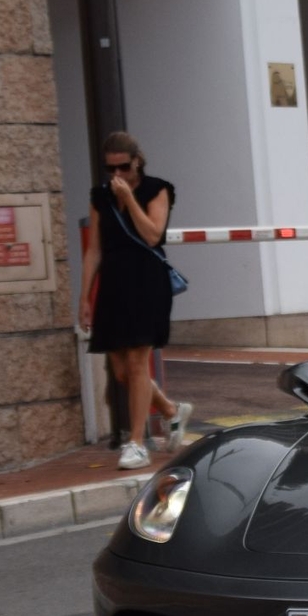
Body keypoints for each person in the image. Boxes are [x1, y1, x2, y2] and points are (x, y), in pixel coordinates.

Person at [79, 131, 188, 471]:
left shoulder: (158, 189)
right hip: (112, 283)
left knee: (139, 363)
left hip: (146, 281)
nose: (117, 175)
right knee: (123, 371)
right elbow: (94, 249)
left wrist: (130, 201)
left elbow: (153, 235)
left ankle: (137, 443)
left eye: (123, 167)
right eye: (110, 168)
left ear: (136, 162)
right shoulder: (100, 196)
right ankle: (171, 410)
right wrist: (84, 296)